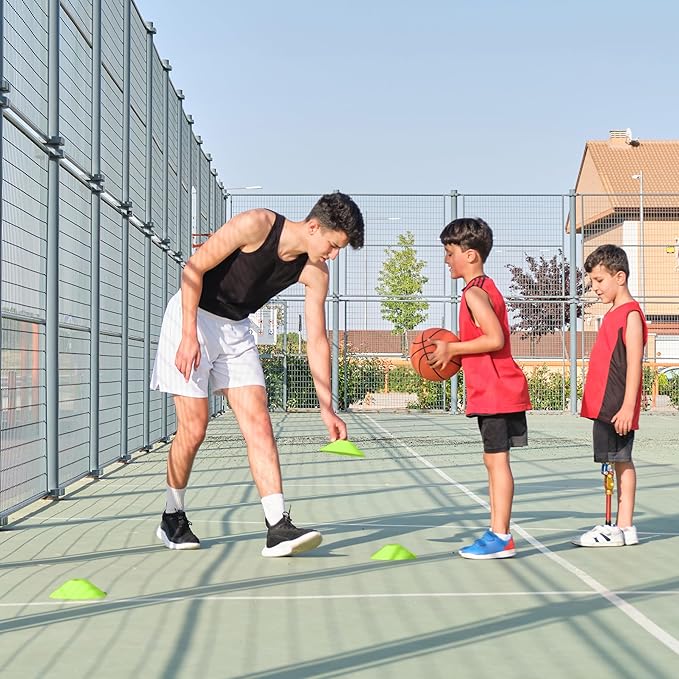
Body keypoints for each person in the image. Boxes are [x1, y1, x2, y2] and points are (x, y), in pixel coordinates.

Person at [150, 192, 364, 556]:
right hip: (192, 315)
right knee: (194, 428)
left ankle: (277, 525)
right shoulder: (257, 224)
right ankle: (172, 516)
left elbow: (316, 341)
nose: (333, 254)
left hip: (236, 329)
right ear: (313, 227)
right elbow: (193, 269)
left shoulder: (315, 273)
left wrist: (327, 407)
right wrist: (188, 335)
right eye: (332, 245)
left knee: (259, 422)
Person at [428, 217, 531, 559]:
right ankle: (496, 531)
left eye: (449, 252)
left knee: (497, 462)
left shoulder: (474, 292)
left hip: (497, 391)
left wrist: (452, 348)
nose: (446, 259)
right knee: (493, 461)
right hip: (496, 390)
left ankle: (501, 537)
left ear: (470, 255)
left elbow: (495, 338)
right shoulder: (484, 288)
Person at [572, 244, 647, 547]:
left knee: (621, 461)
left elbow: (634, 364)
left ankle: (620, 526)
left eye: (600, 281)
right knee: (614, 462)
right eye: (592, 282)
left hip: (617, 405)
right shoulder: (613, 314)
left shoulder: (629, 315)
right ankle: (622, 528)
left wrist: (629, 405)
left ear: (620, 277)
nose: (595, 288)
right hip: (605, 404)